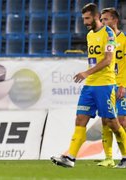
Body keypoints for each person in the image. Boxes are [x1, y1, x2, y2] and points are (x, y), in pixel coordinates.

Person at [51, 3, 126, 168]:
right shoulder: (90, 35)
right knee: (80, 119)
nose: (84, 22)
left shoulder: (109, 34)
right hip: (90, 86)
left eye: (87, 18)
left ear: (96, 16)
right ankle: (70, 157)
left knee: (113, 123)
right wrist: (88, 76)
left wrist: (86, 73)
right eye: (83, 18)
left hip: (105, 84)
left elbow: (107, 60)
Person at [97, 7, 126, 168]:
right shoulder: (103, 38)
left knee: (121, 122)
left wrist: (123, 85)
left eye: (106, 19)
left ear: (115, 20)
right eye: (101, 20)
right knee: (105, 121)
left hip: (120, 85)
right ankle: (109, 158)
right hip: (106, 85)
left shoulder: (124, 40)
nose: (103, 22)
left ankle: (125, 156)